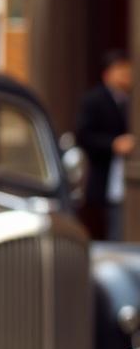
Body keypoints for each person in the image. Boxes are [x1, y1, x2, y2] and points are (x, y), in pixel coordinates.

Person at [76, 50, 133, 241]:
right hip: (104, 172)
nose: (127, 74)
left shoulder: (131, 102)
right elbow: (83, 136)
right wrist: (113, 144)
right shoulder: (95, 100)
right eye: (121, 70)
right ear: (108, 73)